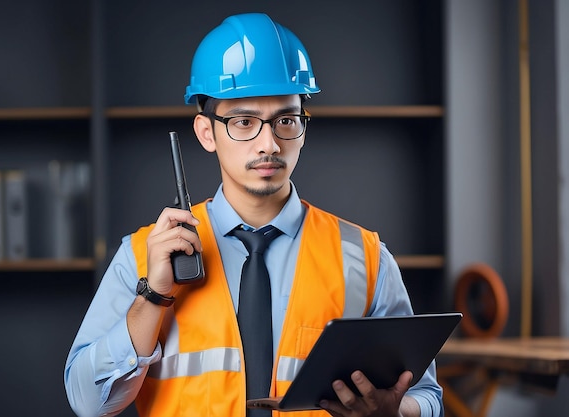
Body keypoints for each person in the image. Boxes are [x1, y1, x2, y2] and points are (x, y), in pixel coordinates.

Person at [64, 12, 444, 417]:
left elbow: (426, 396)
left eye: (286, 120)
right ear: (206, 132)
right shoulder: (143, 256)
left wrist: (398, 412)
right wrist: (153, 298)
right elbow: (89, 404)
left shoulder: (363, 257)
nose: (270, 144)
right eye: (244, 122)